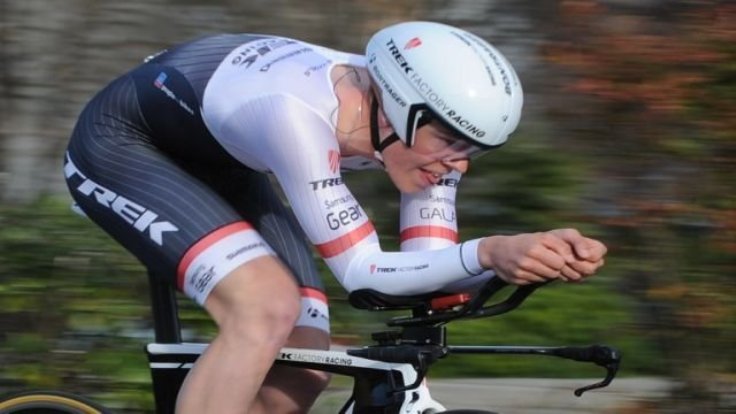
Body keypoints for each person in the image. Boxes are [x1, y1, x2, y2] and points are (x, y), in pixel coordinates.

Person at [63, 21, 607, 414]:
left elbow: (425, 274)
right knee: (264, 310)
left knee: (306, 361)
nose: (458, 163)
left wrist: (522, 259)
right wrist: (489, 251)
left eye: (475, 149)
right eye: (450, 140)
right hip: (125, 145)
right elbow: (364, 272)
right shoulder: (293, 116)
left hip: (226, 159)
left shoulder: (424, 138)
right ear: (398, 109)